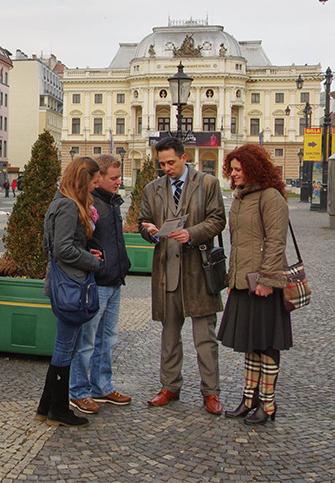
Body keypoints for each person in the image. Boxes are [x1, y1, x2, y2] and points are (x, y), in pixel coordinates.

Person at [138, 137, 227, 416]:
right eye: (162, 163)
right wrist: (148, 231)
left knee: (205, 338)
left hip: (199, 271)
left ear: (184, 158)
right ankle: (169, 386)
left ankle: (211, 392)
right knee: (169, 335)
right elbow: (143, 221)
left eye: (171, 163)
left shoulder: (207, 184)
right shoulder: (152, 189)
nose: (166, 168)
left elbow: (217, 220)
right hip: (167, 272)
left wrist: (192, 233)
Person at [217, 143, 292, 425]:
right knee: (251, 343)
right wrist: (232, 278)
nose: (233, 174)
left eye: (238, 169)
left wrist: (267, 280)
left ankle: (268, 404)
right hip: (243, 282)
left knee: (267, 344)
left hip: (263, 283)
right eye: (231, 169)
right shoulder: (241, 197)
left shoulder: (270, 197)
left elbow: (275, 242)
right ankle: (250, 399)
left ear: (252, 168)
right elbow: (240, 243)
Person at [35, 156, 105, 428]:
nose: (95, 187)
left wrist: (85, 251)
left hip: (65, 282)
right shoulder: (67, 206)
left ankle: (45, 407)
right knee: (65, 348)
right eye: (93, 182)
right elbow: (62, 249)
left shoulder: (59, 202)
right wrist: (92, 261)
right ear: (82, 179)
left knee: (65, 346)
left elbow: (49, 246)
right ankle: (60, 411)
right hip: (70, 286)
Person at [68, 154, 132, 415]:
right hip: (96, 282)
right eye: (113, 178)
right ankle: (79, 390)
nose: (119, 182)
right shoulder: (89, 203)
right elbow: (74, 242)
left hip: (114, 280)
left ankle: (102, 386)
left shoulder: (112, 203)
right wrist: (92, 261)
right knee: (86, 341)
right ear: (98, 177)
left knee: (108, 339)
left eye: (119, 177)